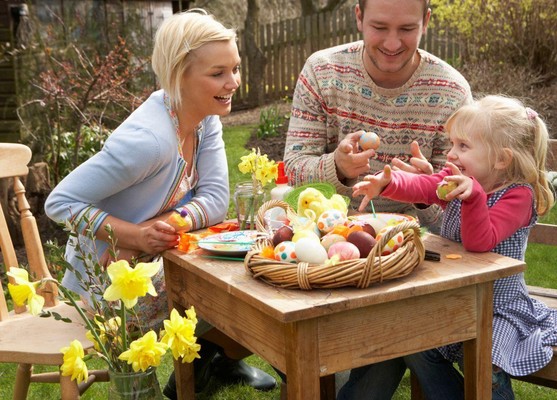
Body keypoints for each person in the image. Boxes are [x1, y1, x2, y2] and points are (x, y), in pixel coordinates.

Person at [44, 8, 276, 399]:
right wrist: (134, 235)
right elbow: (60, 202)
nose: (233, 82)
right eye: (218, 73)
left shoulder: (205, 117)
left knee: (249, 269)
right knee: (241, 290)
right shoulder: (148, 140)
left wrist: (169, 222)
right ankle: (211, 363)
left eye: (234, 69)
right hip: (105, 283)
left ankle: (216, 363)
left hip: (152, 263)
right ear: (178, 74)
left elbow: (216, 200)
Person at [350, 95, 557, 399]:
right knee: (418, 347)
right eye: (453, 144)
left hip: (497, 306)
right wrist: (387, 184)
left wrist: (473, 198)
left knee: (486, 359)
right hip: (455, 294)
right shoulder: (460, 178)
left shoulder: (519, 196)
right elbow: (425, 186)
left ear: (501, 159)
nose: (451, 154)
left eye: (463, 146)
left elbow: (480, 241)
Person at [283, 0, 472, 231]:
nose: (392, 44)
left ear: (426, 22)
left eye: (407, 29)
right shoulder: (321, 73)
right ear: (359, 17)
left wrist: (424, 193)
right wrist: (337, 167)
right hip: (328, 239)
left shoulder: (452, 92)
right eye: (380, 28)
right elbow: (293, 170)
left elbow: (461, 216)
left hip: (414, 247)